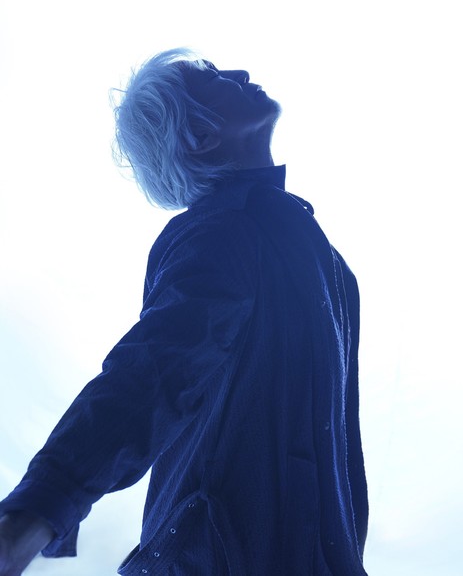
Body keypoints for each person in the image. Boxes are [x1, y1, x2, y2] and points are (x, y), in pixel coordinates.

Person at [0, 49, 369, 575]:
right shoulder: (222, 231)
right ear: (200, 136)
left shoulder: (325, 260)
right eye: (212, 78)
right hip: (211, 556)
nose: (240, 72)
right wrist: (38, 509)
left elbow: (338, 449)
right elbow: (152, 371)